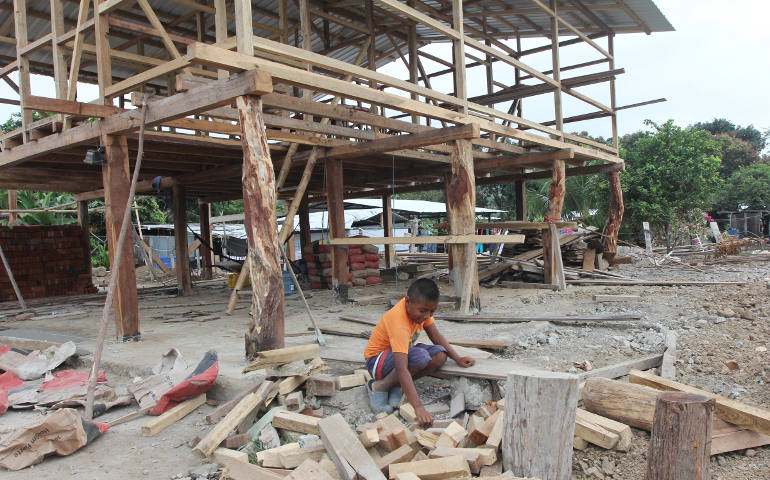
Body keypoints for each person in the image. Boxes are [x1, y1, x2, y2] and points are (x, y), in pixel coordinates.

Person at [363, 278, 475, 427]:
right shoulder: (399, 323)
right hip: (376, 362)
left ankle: (396, 385)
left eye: (432, 311)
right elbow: (402, 369)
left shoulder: (422, 312)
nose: (427, 316)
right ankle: (380, 386)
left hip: (397, 357)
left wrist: (457, 358)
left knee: (440, 355)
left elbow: (436, 336)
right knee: (420, 357)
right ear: (407, 301)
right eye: (423, 311)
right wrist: (419, 408)